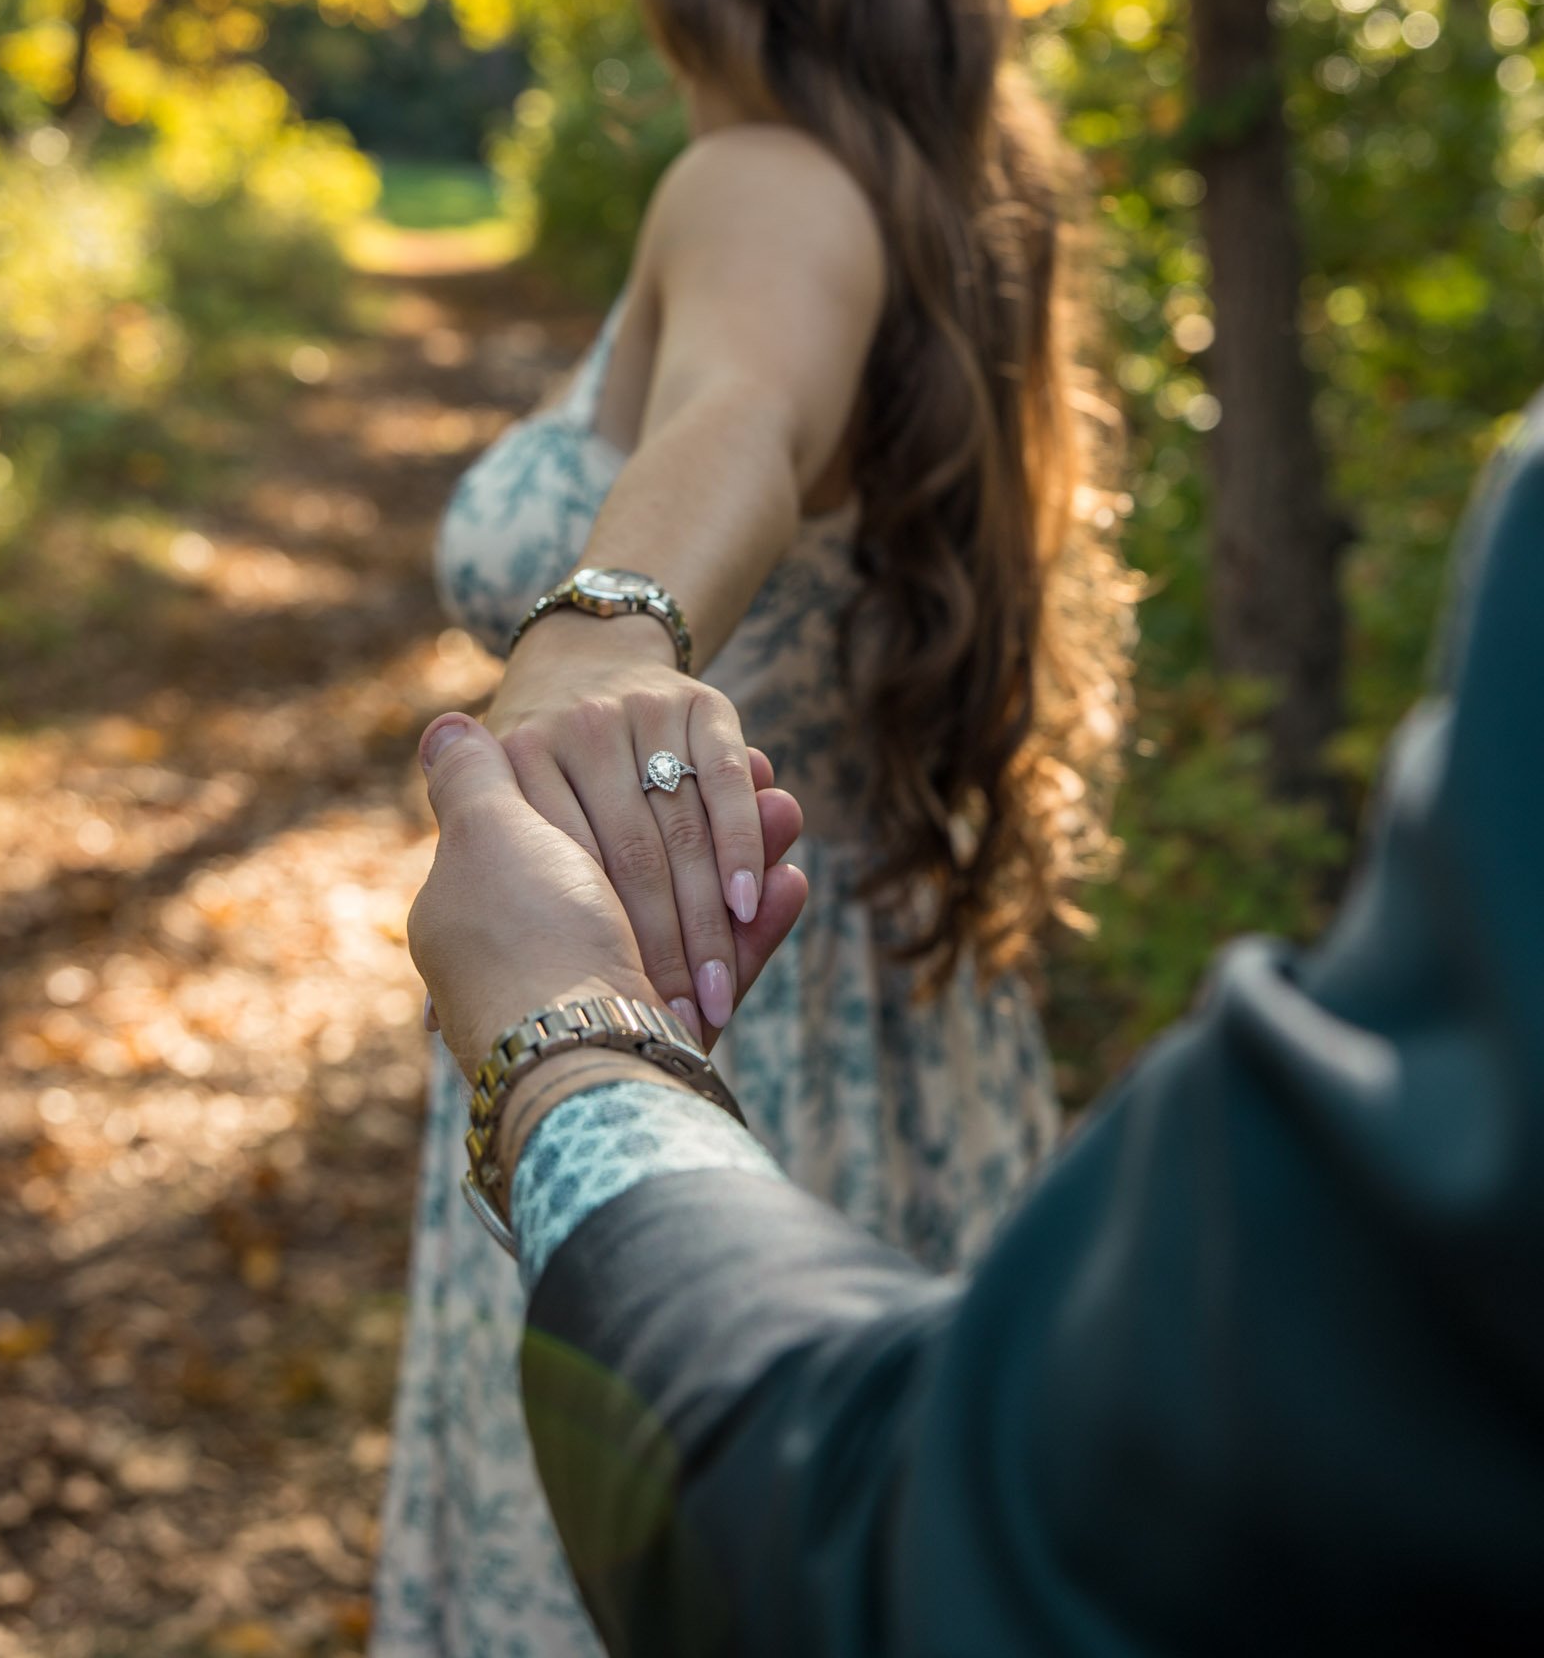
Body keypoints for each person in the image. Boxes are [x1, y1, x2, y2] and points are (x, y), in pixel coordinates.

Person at [373, 0, 1131, 1653]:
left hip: (690, 1051)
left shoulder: (760, 183)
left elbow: (731, 412)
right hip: (905, 1036)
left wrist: (596, 626)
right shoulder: (954, 203)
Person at [405, 392, 1544, 1655]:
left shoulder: (777, 182)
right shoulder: (979, 218)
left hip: (732, 1072)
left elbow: (924, 1554)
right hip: (911, 1024)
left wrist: (566, 1029)